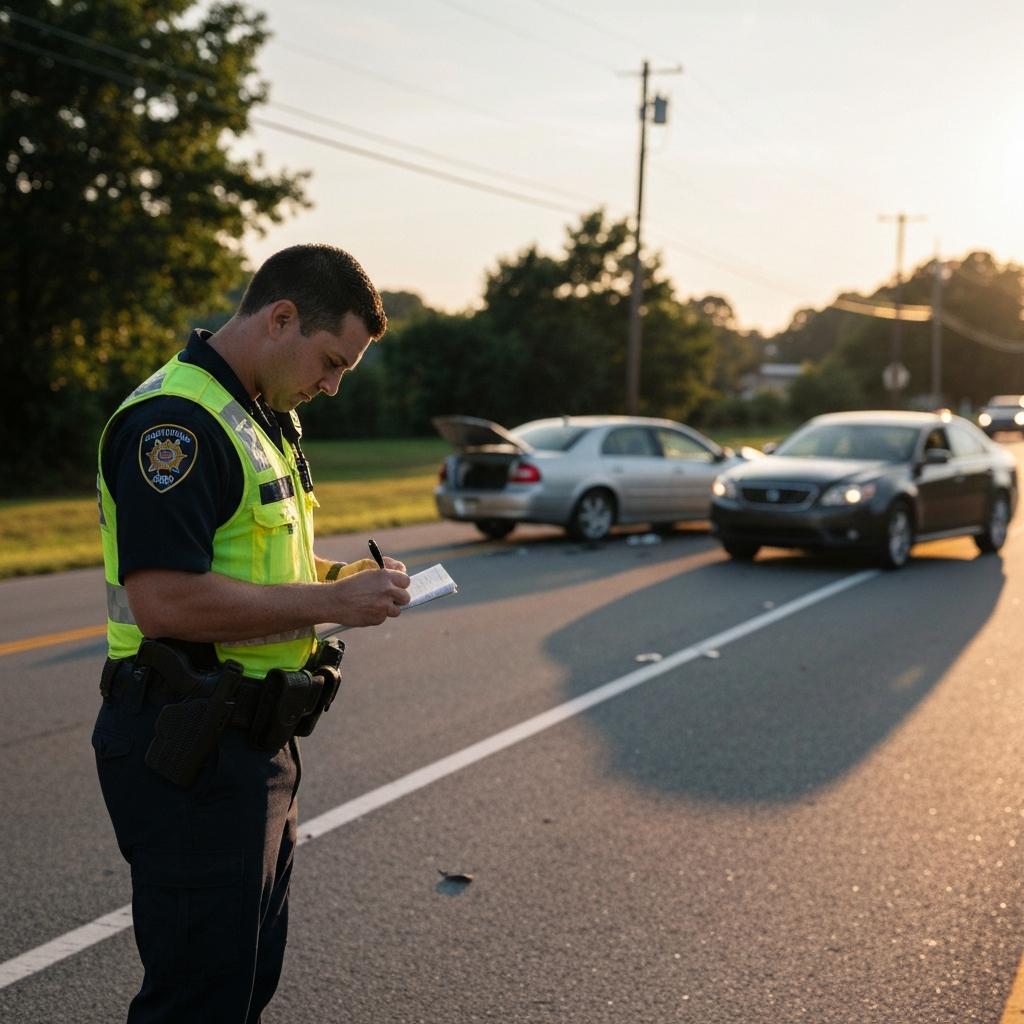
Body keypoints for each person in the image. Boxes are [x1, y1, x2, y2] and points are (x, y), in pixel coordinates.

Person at [92, 243, 411, 1023]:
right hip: (189, 742)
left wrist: (346, 583)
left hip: (250, 740)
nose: (333, 385)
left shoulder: (263, 416)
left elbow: (263, 563)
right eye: (333, 361)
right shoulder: (178, 424)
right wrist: (328, 606)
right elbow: (166, 601)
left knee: (241, 984)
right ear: (281, 318)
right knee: (198, 1000)